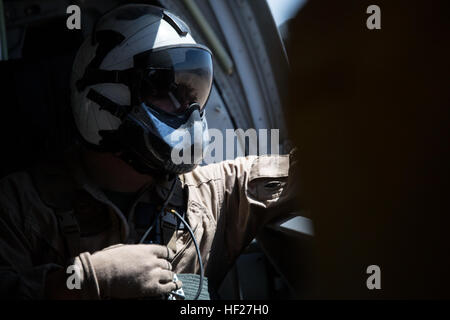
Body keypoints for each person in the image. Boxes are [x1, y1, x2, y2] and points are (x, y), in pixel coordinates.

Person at [0, 4, 297, 299]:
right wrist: (84, 282)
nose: (189, 109)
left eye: (193, 92)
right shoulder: (19, 207)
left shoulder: (210, 195)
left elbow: (315, 170)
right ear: (104, 100)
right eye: (165, 88)